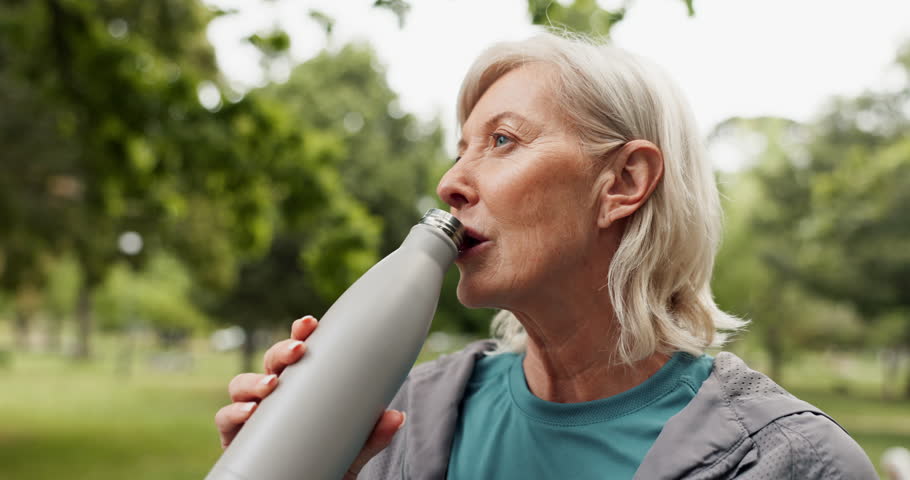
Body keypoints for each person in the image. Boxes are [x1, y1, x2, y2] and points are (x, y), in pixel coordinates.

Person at [214, 32, 877, 479]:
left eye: (502, 140)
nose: (450, 182)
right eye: (461, 146)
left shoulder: (786, 462)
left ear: (621, 184)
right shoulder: (403, 424)